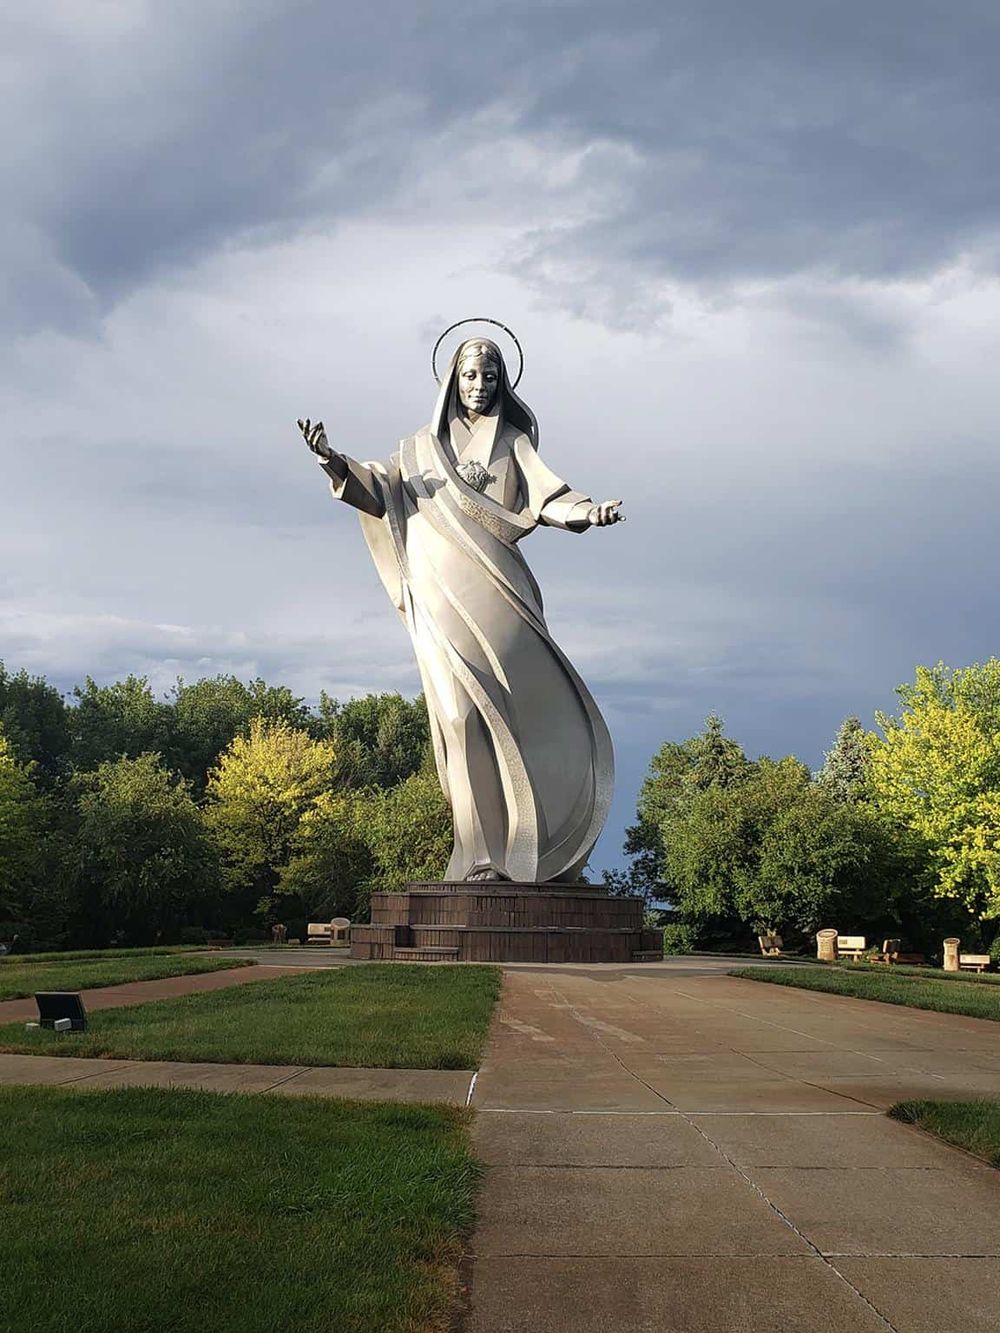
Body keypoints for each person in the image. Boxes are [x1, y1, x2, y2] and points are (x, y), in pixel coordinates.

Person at [297, 336, 623, 884]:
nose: (479, 386)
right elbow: (377, 492)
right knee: (458, 717)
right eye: (471, 376)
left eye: (490, 377)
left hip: (501, 594)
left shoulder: (514, 442)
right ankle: (479, 856)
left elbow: (547, 499)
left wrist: (589, 512)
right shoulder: (417, 451)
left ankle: (537, 849)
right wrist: (331, 459)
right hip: (440, 595)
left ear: (503, 382)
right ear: (453, 379)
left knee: (516, 718)